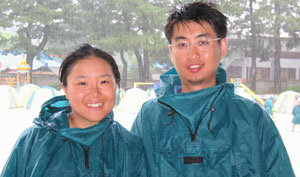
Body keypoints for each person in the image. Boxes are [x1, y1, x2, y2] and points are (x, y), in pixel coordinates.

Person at [131, 1, 295, 176]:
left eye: (202, 42)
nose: (193, 54)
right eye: (182, 44)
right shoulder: (149, 117)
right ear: (171, 52)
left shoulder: (251, 116)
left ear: (222, 46)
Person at [1, 43, 147, 177]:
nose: (95, 93)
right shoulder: (32, 141)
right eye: (83, 83)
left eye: (103, 82)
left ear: (116, 85)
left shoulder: (129, 146)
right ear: (65, 88)